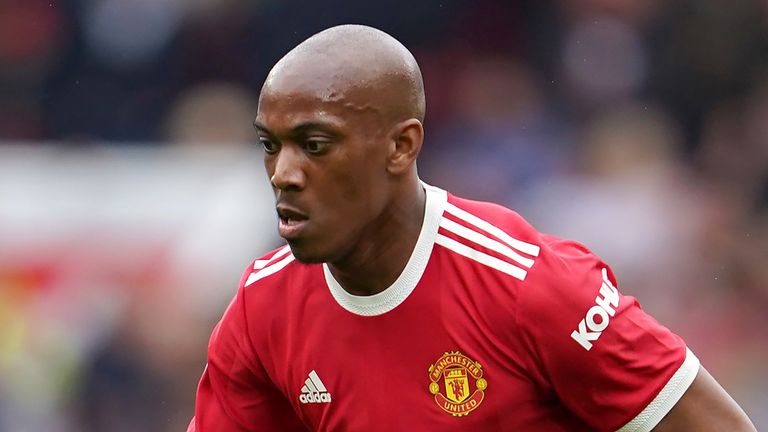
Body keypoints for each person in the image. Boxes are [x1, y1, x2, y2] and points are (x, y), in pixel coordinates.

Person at [188, 24, 756, 431]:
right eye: (270, 146)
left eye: (315, 145)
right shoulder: (262, 308)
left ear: (400, 146)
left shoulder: (531, 287)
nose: (283, 174)